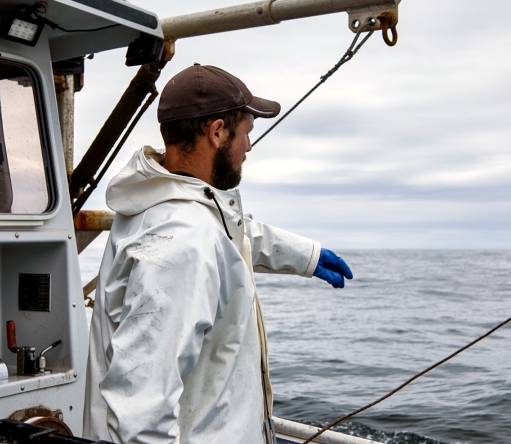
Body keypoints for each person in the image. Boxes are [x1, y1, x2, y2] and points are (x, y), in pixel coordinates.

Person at [83, 64, 354, 444]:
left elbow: (236, 235)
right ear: (216, 132)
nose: (248, 147)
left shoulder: (160, 203)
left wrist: (307, 256)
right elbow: (141, 409)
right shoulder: (183, 243)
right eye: (245, 134)